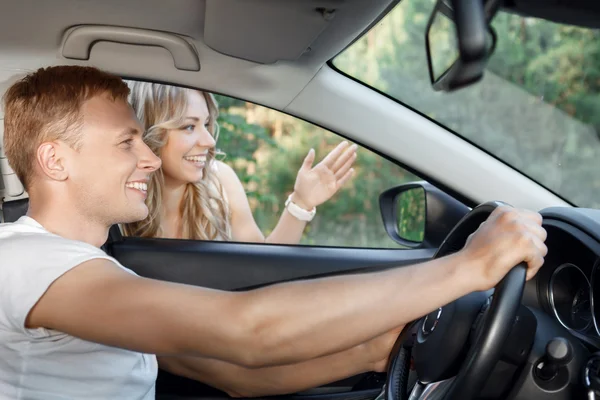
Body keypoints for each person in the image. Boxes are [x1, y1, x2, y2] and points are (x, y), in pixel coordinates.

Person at [0, 65, 547, 399]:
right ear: (55, 160)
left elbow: (236, 375)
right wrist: (468, 267)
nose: (148, 157)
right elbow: (247, 331)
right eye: (127, 143)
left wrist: (375, 352)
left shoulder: (92, 271)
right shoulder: (27, 263)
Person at [121, 81, 357, 243]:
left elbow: (262, 267)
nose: (209, 141)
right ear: (148, 130)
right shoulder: (117, 199)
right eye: (189, 126)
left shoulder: (220, 181)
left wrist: (301, 202)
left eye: (206, 124)